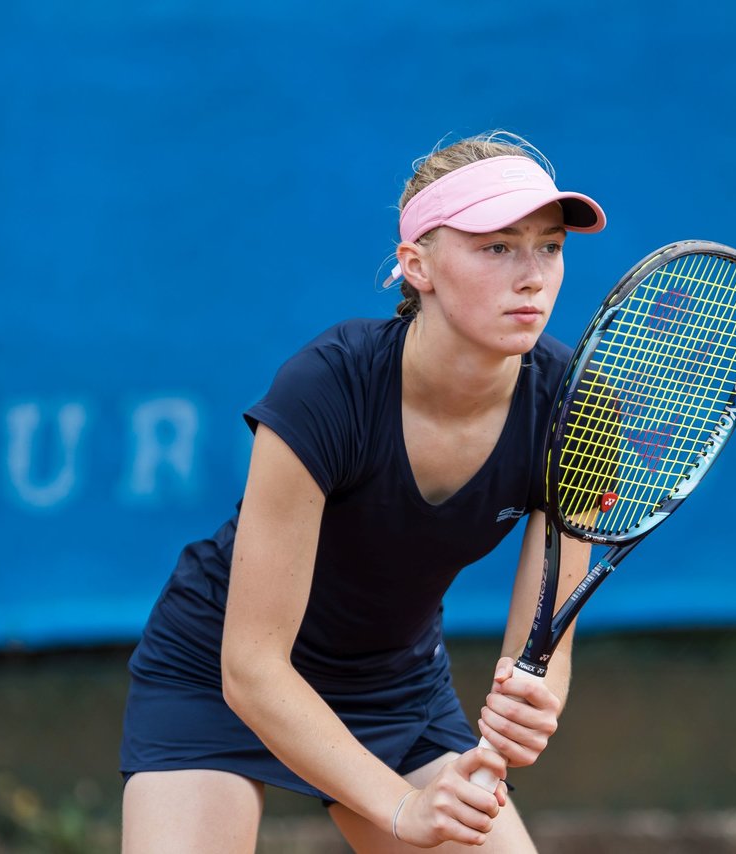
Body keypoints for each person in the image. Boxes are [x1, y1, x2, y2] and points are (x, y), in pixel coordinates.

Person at [118, 130, 606, 852]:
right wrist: (403, 808)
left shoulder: (581, 411)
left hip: (396, 689)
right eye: (496, 247)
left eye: (550, 246)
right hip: (220, 675)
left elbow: (544, 645)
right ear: (418, 265)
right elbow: (251, 668)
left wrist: (537, 705)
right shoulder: (327, 388)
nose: (532, 275)